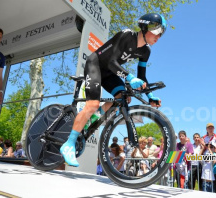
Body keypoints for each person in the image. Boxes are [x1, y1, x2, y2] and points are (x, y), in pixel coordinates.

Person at [60, 13, 167, 167]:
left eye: (161, 33)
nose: (158, 36)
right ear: (144, 27)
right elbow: (111, 62)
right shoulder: (126, 35)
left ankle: (94, 118)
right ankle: (68, 144)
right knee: (92, 104)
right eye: (156, 31)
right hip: (96, 65)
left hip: (110, 73)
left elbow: (142, 77)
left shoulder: (146, 51)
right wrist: (129, 78)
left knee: (122, 97)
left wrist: (150, 95)